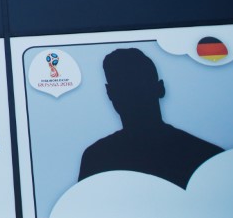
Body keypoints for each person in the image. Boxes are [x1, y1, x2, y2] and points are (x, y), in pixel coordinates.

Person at [78, 48, 223, 188]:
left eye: (138, 86)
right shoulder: (205, 155)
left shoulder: (98, 157)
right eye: (124, 88)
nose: (133, 96)